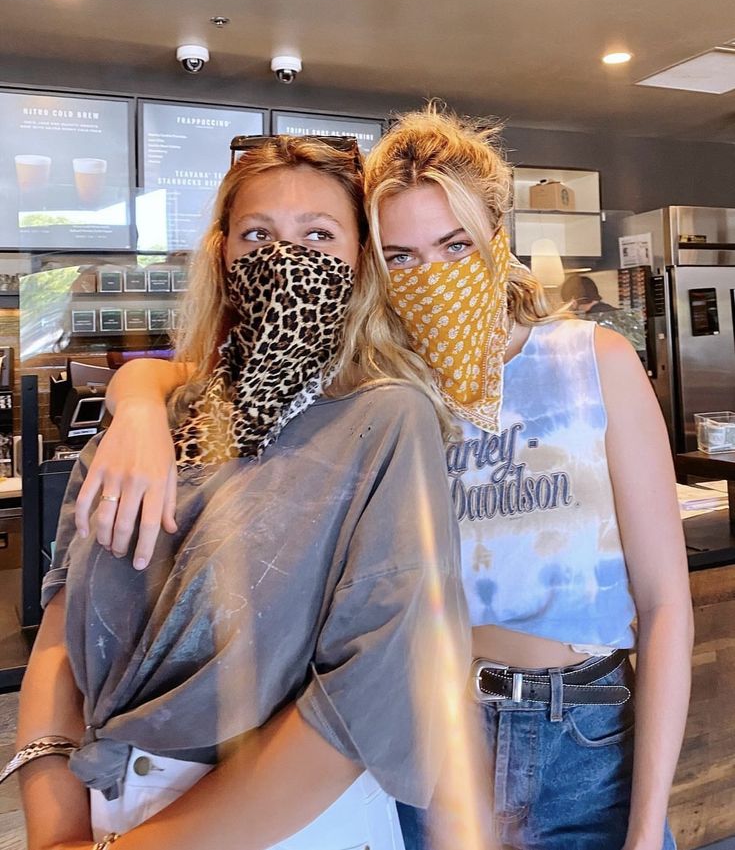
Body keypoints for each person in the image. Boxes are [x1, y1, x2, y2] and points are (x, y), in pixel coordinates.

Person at [74, 109, 694, 850]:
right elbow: (201, 377)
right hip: (427, 735)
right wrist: (137, 404)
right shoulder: (375, 383)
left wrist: (645, 825)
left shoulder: (591, 361)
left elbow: (663, 609)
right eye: (399, 255)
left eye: (453, 244)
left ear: (497, 240)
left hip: (582, 736)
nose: (430, 275)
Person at [13, 135, 470, 850]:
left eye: (318, 235)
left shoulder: (383, 421)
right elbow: (61, 635)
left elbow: (365, 695)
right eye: (259, 234)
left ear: (358, 262)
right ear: (224, 253)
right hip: (103, 808)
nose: (286, 260)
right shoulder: (148, 425)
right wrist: (55, 824)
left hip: (287, 824)